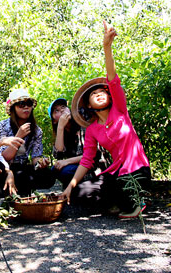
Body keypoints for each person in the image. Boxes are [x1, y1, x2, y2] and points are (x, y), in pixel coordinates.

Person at [61, 21, 151, 218]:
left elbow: (112, 78)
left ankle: (136, 201)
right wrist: (70, 186)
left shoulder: (120, 110)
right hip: (116, 173)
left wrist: (107, 47)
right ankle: (122, 201)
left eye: (104, 92)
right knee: (80, 192)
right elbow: (86, 160)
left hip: (137, 170)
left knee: (128, 187)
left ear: (110, 97)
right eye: (95, 95)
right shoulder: (92, 129)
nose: (100, 94)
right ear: (89, 105)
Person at [48, 98, 112, 205]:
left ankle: (82, 189)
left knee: (67, 173)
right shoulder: (63, 131)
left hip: (95, 168)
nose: (62, 111)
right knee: (55, 169)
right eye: (56, 111)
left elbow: (94, 154)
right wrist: (60, 128)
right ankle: (76, 189)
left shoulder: (83, 123)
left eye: (63, 107)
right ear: (54, 119)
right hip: (77, 169)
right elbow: (58, 154)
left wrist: (67, 161)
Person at [0, 89, 56, 196]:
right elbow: (4, 157)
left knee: (48, 176)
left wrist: (40, 163)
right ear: (13, 108)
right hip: (7, 168)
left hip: (24, 167)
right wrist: (19, 136)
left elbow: (35, 157)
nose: (26, 107)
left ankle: (23, 191)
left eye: (29, 104)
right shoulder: (3, 126)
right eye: (21, 104)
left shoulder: (36, 130)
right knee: (20, 176)